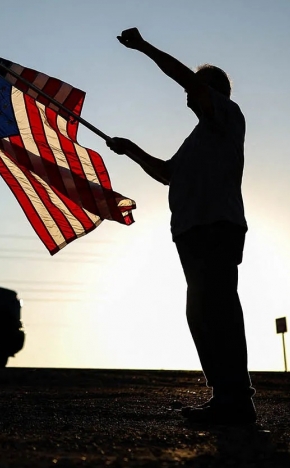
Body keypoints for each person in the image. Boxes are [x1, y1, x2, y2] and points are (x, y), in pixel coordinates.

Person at [107, 28, 255, 425]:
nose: (187, 93)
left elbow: (185, 79)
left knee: (217, 308)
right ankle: (224, 395)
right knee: (201, 313)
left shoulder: (226, 113)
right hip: (192, 232)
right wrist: (130, 150)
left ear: (212, 91)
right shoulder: (198, 138)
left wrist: (143, 47)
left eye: (196, 86)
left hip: (215, 227)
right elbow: (167, 173)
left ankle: (236, 399)